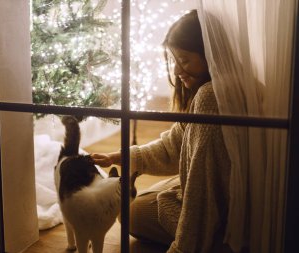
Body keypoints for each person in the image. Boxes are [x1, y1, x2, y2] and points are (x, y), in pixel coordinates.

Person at [91, 10, 232, 253]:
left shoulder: (211, 96)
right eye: (174, 59)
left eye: (185, 60)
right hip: (211, 187)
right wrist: (119, 156)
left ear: (209, 54)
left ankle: (218, 242)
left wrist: (183, 248)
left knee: (130, 214)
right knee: (140, 204)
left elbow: (203, 193)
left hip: (222, 208)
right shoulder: (218, 86)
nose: (177, 70)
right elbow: (174, 146)